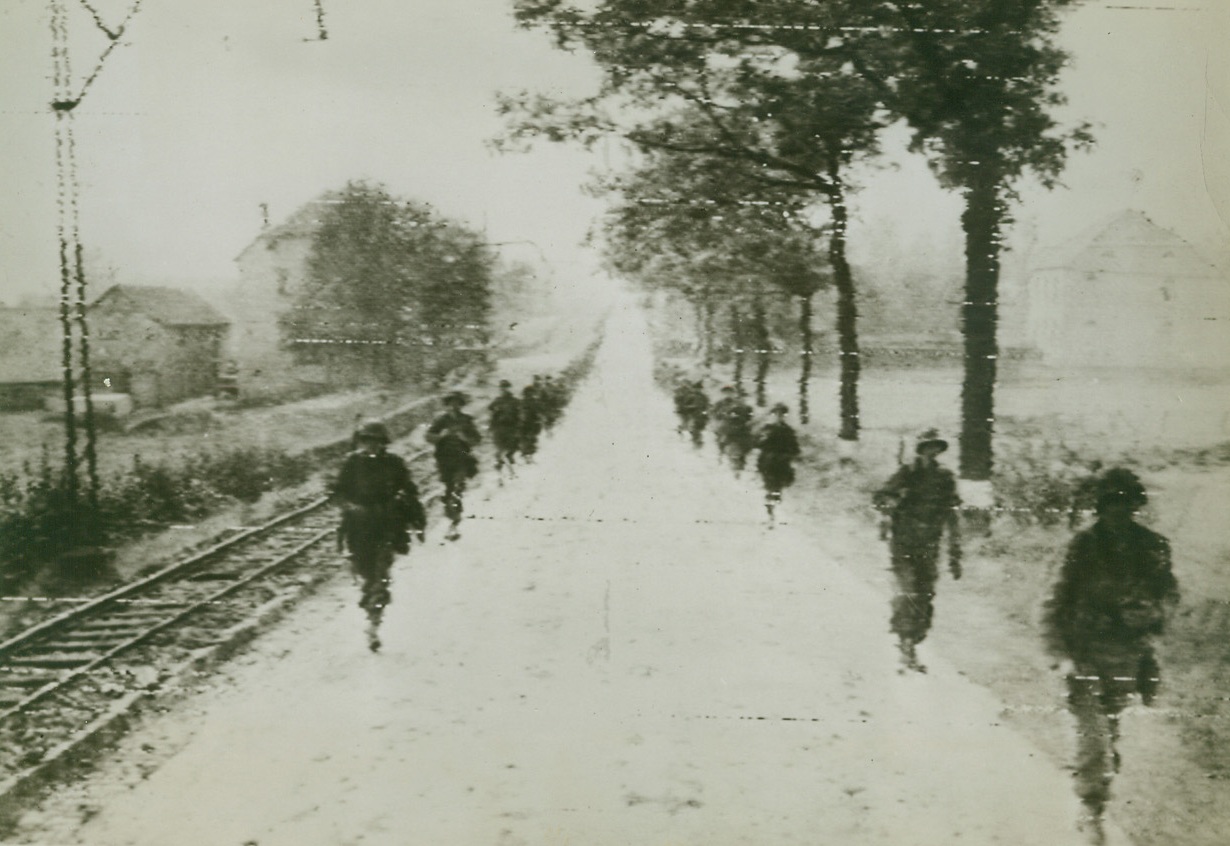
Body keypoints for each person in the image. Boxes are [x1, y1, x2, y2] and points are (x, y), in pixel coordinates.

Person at [1042, 468, 1178, 844]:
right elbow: (1053, 602)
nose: (1118, 511)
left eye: (1125, 503)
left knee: (1109, 728)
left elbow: (1169, 594)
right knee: (1093, 735)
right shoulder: (1082, 545)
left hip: (1127, 657)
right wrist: (1059, 655)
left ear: (1135, 506)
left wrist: (1152, 611)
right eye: (1110, 504)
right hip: (1083, 654)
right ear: (1100, 507)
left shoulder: (1154, 546)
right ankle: (1090, 809)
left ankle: (1098, 771)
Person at [872, 428, 962, 674]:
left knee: (925, 595)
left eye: (936, 447)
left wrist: (955, 553)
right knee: (908, 591)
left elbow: (952, 515)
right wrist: (891, 503)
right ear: (920, 449)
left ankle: (914, 638)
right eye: (927, 447)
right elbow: (880, 497)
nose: (932, 452)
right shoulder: (908, 472)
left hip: (930, 544)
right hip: (904, 542)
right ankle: (906, 644)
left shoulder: (945, 478)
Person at [331, 420, 426, 652]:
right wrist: (350, 507)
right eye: (366, 441)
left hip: (387, 526)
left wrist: (407, 507)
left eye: (376, 442)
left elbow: (410, 490)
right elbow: (336, 493)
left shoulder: (394, 463)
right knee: (366, 572)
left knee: (380, 575)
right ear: (361, 442)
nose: (371, 446)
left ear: (383, 443)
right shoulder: (352, 463)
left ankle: (373, 625)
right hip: (359, 528)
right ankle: (372, 607)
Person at [426, 391, 481, 541]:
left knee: (457, 488)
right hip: (445, 462)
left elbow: (477, 439)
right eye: (451, 403)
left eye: (457, 403)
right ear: (447, 404)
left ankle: (454, 523)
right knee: (450, 492)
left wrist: (466, 439)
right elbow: (428, 436)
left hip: (462, 461)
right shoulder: (441, 420)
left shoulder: (466, 420)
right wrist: (440, 437)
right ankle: (453, 521)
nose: (454, 406)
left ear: (461, 405)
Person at [754, 402, 800, 526]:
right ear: (773, 415)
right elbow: (757, 443)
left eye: (782, 414)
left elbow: (795, 449)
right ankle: (771, 514)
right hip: (768, 464)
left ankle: (773, 511)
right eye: (776, 414)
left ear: (785, 416)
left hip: (782, 465)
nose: (779, 416)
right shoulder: (767, 429)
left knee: (777, 490)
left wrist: (790, 456)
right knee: (771, 488)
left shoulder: (789, 431)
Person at [712, 385, 755, 475]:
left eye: (730, 393)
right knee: (723, 443)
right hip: (725, 429)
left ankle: (740, 464)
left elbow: (749, 417)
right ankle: (723, 459)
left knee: (744, 443)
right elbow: (714, 416)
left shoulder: (740, 404)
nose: (728, 395)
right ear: (722, 394)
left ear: (733, 394)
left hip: (740, 430)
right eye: (725, 393)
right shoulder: (718, 405)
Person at [488, 379, 522, 483]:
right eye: (502, 388)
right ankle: (502, 475)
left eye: (506, 387)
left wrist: (518, 426)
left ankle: (505, 471)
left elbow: (520, 414)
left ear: (509, 388)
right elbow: (490, 410)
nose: (503, 390)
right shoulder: (497, 401)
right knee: (501, 451)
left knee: (510, 450)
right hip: (499, 429)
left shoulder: (514, 401)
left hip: (511, 429)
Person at [519, 378, 544, 462]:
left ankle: (528, 456)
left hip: (528, 423)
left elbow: (538, 412)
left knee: (528, 439)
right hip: (527, 424)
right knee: (528, 439)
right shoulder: (530, 402)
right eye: (528, 393)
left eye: (530, 393)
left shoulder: (526, 401)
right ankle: (528, 456)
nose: (529, 395)